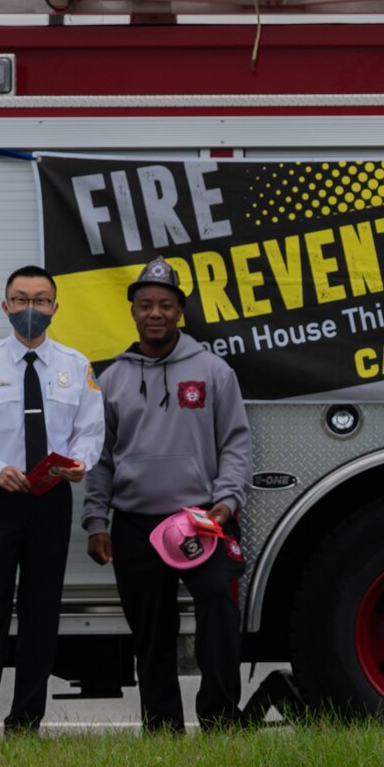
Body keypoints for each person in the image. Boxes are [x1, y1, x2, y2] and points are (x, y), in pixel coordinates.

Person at [82, 258, 253, 733]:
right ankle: (162, 727)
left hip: (204, 521)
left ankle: (220, 719)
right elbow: (101, 457)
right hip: (137, 525)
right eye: (145, 305)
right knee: (152, 633)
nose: (154, 313)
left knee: (218, 611)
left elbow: (236, 443)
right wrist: (97, 521)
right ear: (132, 312)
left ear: (180, 311)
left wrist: (228, 500)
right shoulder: (112, 378)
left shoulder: (214, 371)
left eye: (165, 304)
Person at [0, 264, 104, 735]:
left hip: (51, 501)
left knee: (41, 612)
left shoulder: (76, 366)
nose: (30, 309)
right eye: (21, 300)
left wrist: (78, 464)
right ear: (5, 306)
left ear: (55, 307)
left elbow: (90, 431)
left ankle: (26, 721)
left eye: (40, 300)